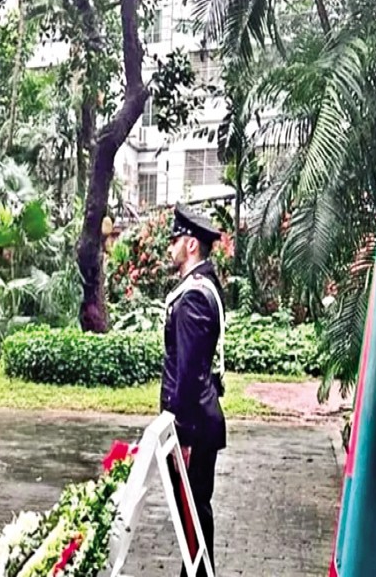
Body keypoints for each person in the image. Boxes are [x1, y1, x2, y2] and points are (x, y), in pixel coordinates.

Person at [161, 204, 227, 577]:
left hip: (193, 427)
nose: (169, 247)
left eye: (175, 240)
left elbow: (187, 372)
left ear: (190, 245)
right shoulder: (201, 287)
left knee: (194, 515)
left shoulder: (194, 297)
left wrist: (180, 434)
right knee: (194, 514)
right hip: (199, 422)